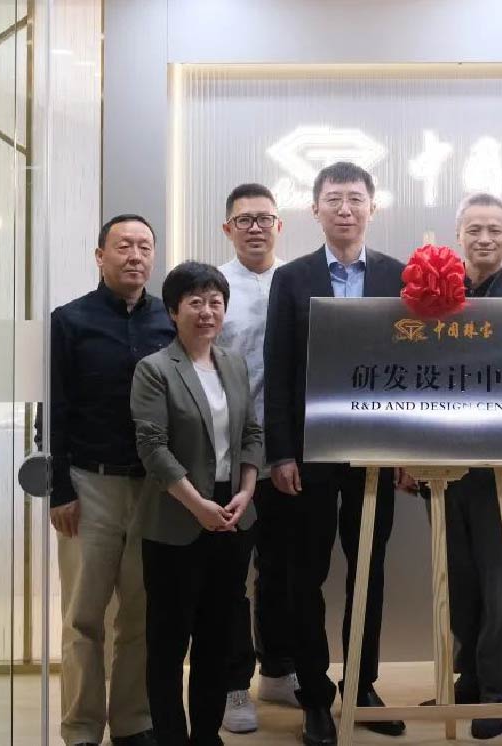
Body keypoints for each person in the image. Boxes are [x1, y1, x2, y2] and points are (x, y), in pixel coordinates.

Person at [263, 161, 407, 746]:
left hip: (377, 450)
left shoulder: (399, 275)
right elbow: (277, 368)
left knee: (369, 570)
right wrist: (280, 453)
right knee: (307, 574)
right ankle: (315, 697)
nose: (345, 209)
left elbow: (412, 370)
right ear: (315, 209)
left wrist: (407, 450)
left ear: (373, 206)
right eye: (333, 199)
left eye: (354, 199)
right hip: (311, 452)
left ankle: (362, 686)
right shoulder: (292, 278)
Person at [45, 214, 173, 746]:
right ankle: (80, 727)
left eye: (144, 246)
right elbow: (53, 410)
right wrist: (59, 489)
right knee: (83, 616)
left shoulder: (170, 320)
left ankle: (133, 722)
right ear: (100, 256)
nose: (135, 255)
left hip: (153, 488)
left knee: (140, 616)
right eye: (123, 246)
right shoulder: (69, 320)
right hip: (88, 484)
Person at [131, 261, 265, 746]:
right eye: (195, 302)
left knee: (217, 637)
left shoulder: (233, 363)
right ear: (173, 311)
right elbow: (153, 448)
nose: (207, 311)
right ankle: (172, 736)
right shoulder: (154, 369)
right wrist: (197, 504)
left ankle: (207, 735)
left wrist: (246, 490)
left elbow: (251, 432)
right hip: (176, 519)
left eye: (215, 302)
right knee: (168, 643)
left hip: (232, 516)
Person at [432, 193, 502, 740]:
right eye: (474, 229)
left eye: (495, 230)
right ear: (459, 235)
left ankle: (496, 689)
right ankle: (469, 676)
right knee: (456, 578)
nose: (484, 239)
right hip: (444, 469)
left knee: (501, 586)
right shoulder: (432, 302)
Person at [215, 183, 299, 735]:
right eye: (244, 220)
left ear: (279, 226)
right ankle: (231, 684)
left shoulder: (297, 281)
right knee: (229, 574)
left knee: (282, 569)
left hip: (286, 450)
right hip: (228, 453)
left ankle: (277, 668)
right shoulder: (213, 286)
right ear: (228, 229)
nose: (254, 228)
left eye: (264, 218)